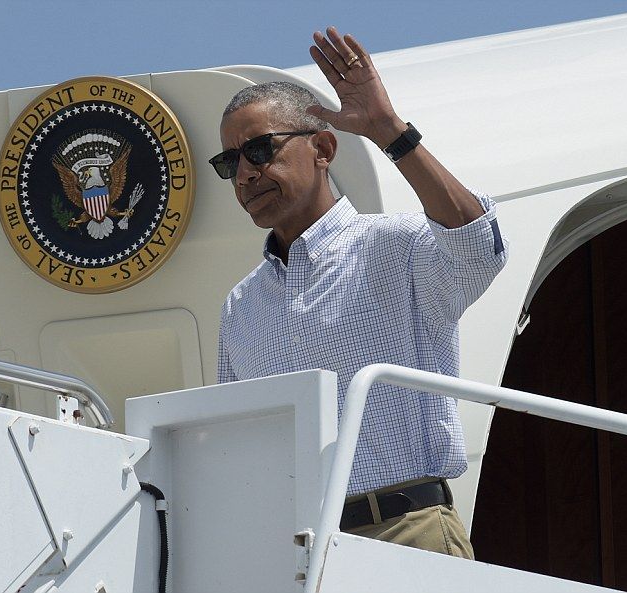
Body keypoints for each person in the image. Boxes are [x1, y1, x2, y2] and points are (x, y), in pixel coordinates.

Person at [213, 27, 508, 558]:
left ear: (323, 147)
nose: (244, 175)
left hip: (408, 531)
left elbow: (476, 245)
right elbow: (244, 445)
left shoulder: (397, 244)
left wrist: (388, 131)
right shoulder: (240, 307)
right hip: (299, 550)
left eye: (259, 150)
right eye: (229, 163)